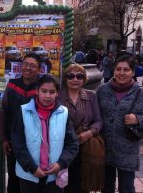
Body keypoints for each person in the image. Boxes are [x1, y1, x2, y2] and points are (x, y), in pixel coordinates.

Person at [11, 74, 79, 193]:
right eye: (44, 91)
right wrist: (32, 168)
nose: (48, 96)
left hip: (54, 175)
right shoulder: (24, 111)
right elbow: (18, 144)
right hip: (29, 175)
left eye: (52, 92)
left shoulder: (64, 113)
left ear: (57, 93)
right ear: (37, 91)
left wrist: (60, 163)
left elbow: (72, 143)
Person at [97, 55, 143, 193]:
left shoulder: (141, 94)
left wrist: (138, 119)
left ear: (133, 72)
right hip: (104, 150)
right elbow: (94, 114)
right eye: (118, 69)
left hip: (128, 151)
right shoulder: (103, 90)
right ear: (113, 70)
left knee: (127, 188)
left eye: (126, 69)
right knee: (105, 187)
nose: (121, 73)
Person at [0, 53, 41, 193]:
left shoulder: (43, 88)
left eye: (32, 65)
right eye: (25, 64)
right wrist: (4, 138)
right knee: (13, 178)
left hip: (34, 142)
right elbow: (4, 111)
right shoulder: (12, 84)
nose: (28, 68)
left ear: (39, 69)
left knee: (32, 179)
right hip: (13, 141)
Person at [58, 64, 103, 193]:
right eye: (70, 76)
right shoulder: (58, 96)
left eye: (79, 76)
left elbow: (99, 120)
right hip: (63, 146)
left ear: (84, 79)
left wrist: (89, 132)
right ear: (65, 79)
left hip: (85, 146)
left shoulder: (91, 96)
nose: (75, 79)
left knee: (82, 183)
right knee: (64, 183)